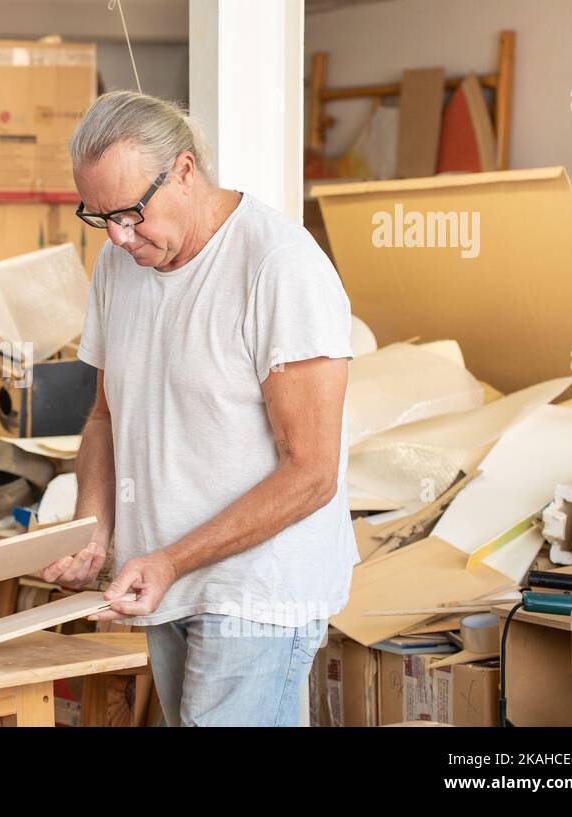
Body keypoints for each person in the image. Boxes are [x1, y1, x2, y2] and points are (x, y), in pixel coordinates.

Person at [42, 90, 358, 726]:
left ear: (184, 171)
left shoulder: (277, 266)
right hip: (165, 580)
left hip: (257, 593)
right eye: (98, 216)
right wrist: (93, 526)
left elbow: (313, 472)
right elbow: (106, 416)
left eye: (131, 211)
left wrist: (169, 560)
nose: (120, 235)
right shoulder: (117, 264)